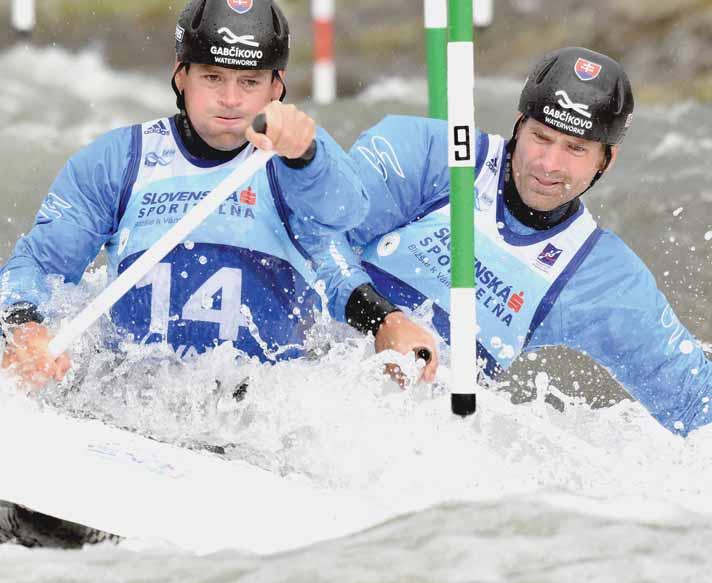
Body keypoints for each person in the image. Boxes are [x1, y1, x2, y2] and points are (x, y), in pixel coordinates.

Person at [333, 47, 712, 436]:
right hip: (307, 376)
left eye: (575, 148)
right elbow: (309, 236)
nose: (549, 164)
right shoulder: (429, 154)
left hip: (410, 441)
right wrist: (381, 319)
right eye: (541, 137)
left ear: (606, 160)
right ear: (518, 125)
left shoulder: (601, 277)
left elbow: (695, 401)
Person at [0, 0, 378, 388]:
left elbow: (348, 212)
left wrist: (306, 153)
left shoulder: (297, 157)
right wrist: (24, 325)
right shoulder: (119, 160)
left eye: (249, 81)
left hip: (263, 411)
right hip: (134, 403)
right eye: (213, 78)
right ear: (181, 76)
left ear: (275, 87)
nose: (231, 99)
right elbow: (39, 265)